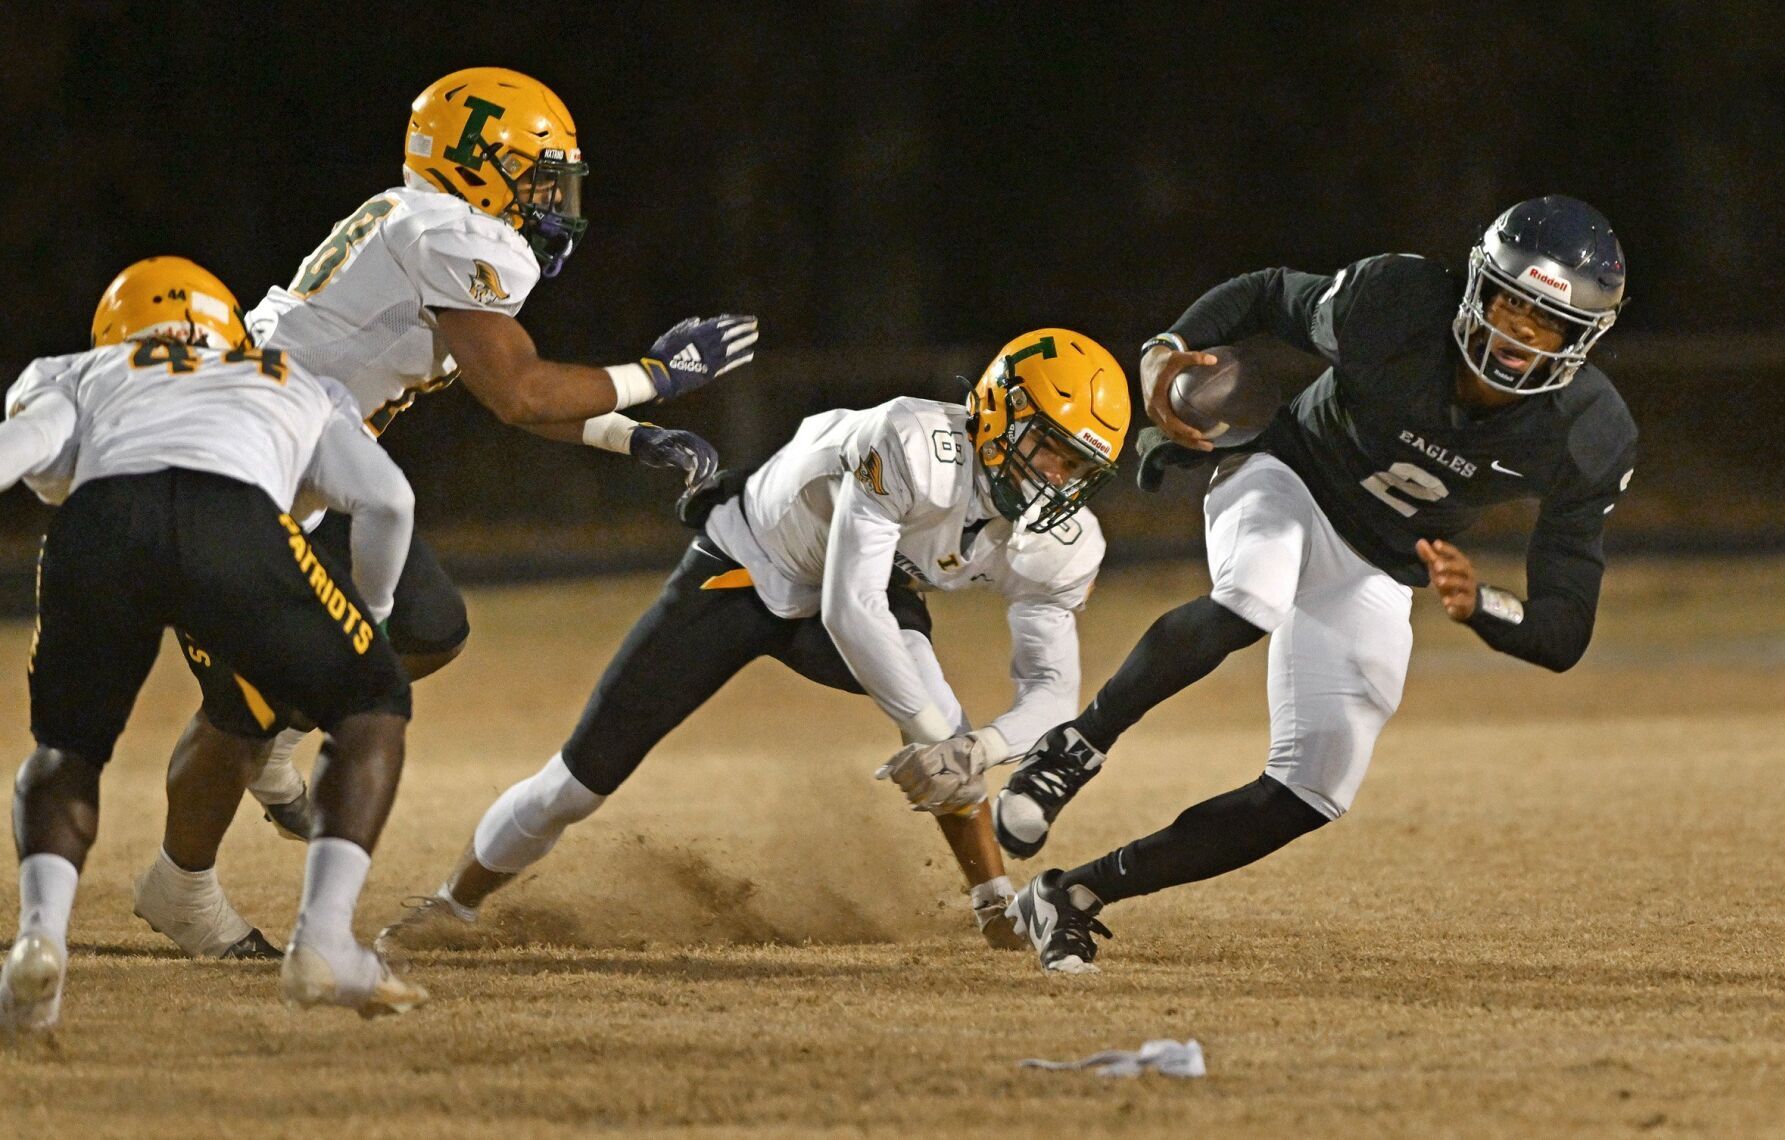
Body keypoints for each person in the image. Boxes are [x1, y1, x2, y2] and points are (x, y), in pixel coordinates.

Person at [130, 66, 758, 959]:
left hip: (317, 464)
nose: (554, 199)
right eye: (538, 176)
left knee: (427, 625)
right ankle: (179, 888)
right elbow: (518, 391)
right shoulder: (454, 235)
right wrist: (658, 378)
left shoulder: (429, 224)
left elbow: (486, 372)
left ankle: (286, 722)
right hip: (236, 466)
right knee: (241, 704)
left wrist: (626, 437)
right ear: (475, 168)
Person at [991, 196, 1637, 973]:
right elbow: (1267, 294)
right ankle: (1071, 749)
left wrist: (1483, 607)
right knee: (1251, 593)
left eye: (1544, 323)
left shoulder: (1587, 433)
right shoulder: (1396, 302)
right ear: (1475, 285)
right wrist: (1169, 348)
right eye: (1507, 301)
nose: (1514, 332)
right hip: (1287, 476)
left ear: (1581, 341)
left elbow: (1563, 630)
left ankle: (1072, 895)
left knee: (1316, 786)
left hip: (1380, 561)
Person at [381, 329, 1129, 949]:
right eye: (1050, 451)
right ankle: (453, 903)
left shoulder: (1063, 543)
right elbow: (849, 608)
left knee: (947, 726)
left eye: (1078, 468)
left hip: (863, 577)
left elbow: (1052, 693)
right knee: (576, 783)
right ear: (999, 415)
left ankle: (995, 907)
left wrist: (975, 751)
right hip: (747, 563)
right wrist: (936, 737)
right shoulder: (913, 444)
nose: (1056, 483)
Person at [0, 257, 426, 1032]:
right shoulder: (288, 376)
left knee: (66, 750)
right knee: (372, 704)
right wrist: (374, 618)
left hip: (101, 524)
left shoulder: (80, 370)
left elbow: (21, 454)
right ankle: (325, 938)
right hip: (233, 519)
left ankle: (39, 940)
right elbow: (388, 499)